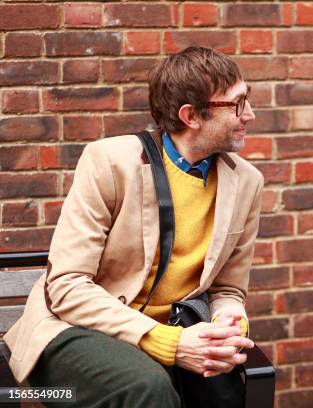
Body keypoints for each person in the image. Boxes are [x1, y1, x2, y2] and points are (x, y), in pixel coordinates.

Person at [4, 46, 263, 407]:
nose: (249, 114)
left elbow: (228, 290)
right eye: (236, 104)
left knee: (229, 388)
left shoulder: (247, 182)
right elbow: (66, 286)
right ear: (191, 115)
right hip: (76, 329)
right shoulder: (110, 162)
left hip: (175, 335)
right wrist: (167, 342)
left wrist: (229, 322)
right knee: (148, 388)